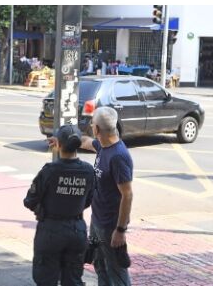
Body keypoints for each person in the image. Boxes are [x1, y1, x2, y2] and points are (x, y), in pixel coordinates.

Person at [61, 107, 133, 286]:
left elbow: (128, 195)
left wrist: (121, 230)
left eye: (92, 123)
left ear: (97, 129)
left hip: (111, 226)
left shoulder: (118, 156)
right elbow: (85, 142)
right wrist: (65, 138)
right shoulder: (103, 146)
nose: (91, 126)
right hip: (98, 221)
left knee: (116, 273)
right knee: (100, 265)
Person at [25, 125, 95, 286]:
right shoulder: (88, 171)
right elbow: (89, 200)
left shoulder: (50, 170)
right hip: (77, 230)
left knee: (46, 279)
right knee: (73, 280)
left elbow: (30, 200)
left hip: (50, 230)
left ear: (57, 144)